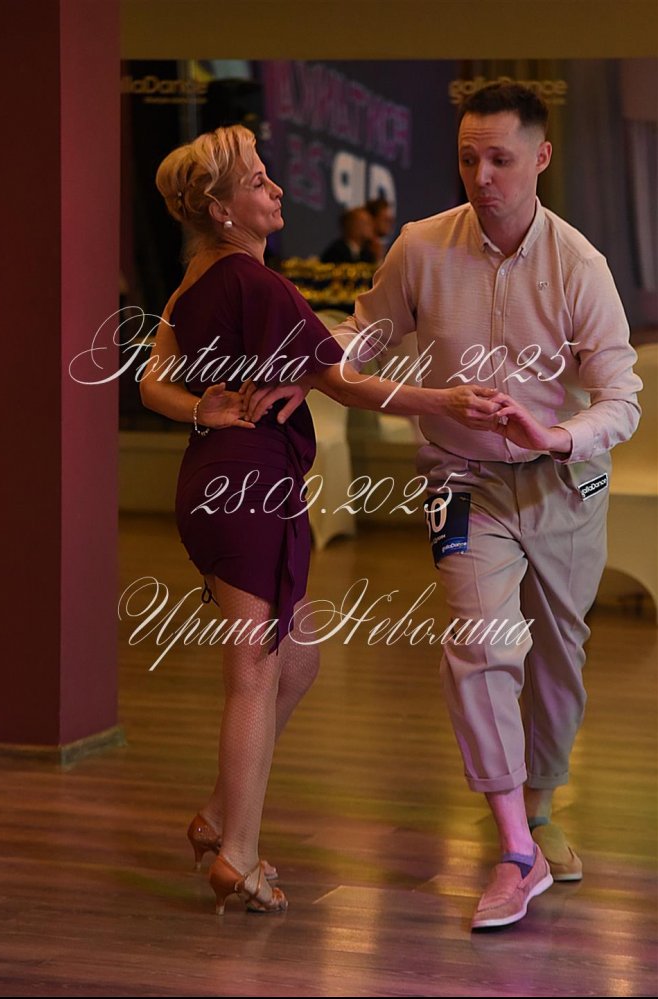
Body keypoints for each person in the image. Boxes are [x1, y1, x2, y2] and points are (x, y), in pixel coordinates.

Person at [250, 82, 642, 930]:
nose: (482, 175)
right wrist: (310, 368)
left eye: (500, 158)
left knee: (559, 660)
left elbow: (623, 399)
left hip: (565, 481)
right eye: (469, 158)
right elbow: (363, 334)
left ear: (540, 158)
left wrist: (554, 433)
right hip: (462, 480)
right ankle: (516, 849)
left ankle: (541, 803)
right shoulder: (422, 246)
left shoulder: (580, 265)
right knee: (478, 643)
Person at [141, 124, 497, 916]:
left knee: (296, 662)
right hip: (246, 489)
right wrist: (446, 400)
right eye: (257, 180)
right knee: (256, 669)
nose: (275, 189)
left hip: (220, 483)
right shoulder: (255, 282)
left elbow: (150, 382)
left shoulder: (195, 279)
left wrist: (198, 407)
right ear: (222, 210)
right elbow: (347, 384)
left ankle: (216, 815)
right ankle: (236, 853)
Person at [365, 196, 396, 261]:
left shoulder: (381, 247)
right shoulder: (363, 250)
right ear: (371, 219)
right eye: (385, 220)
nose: (390, 224)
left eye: (390, 220)